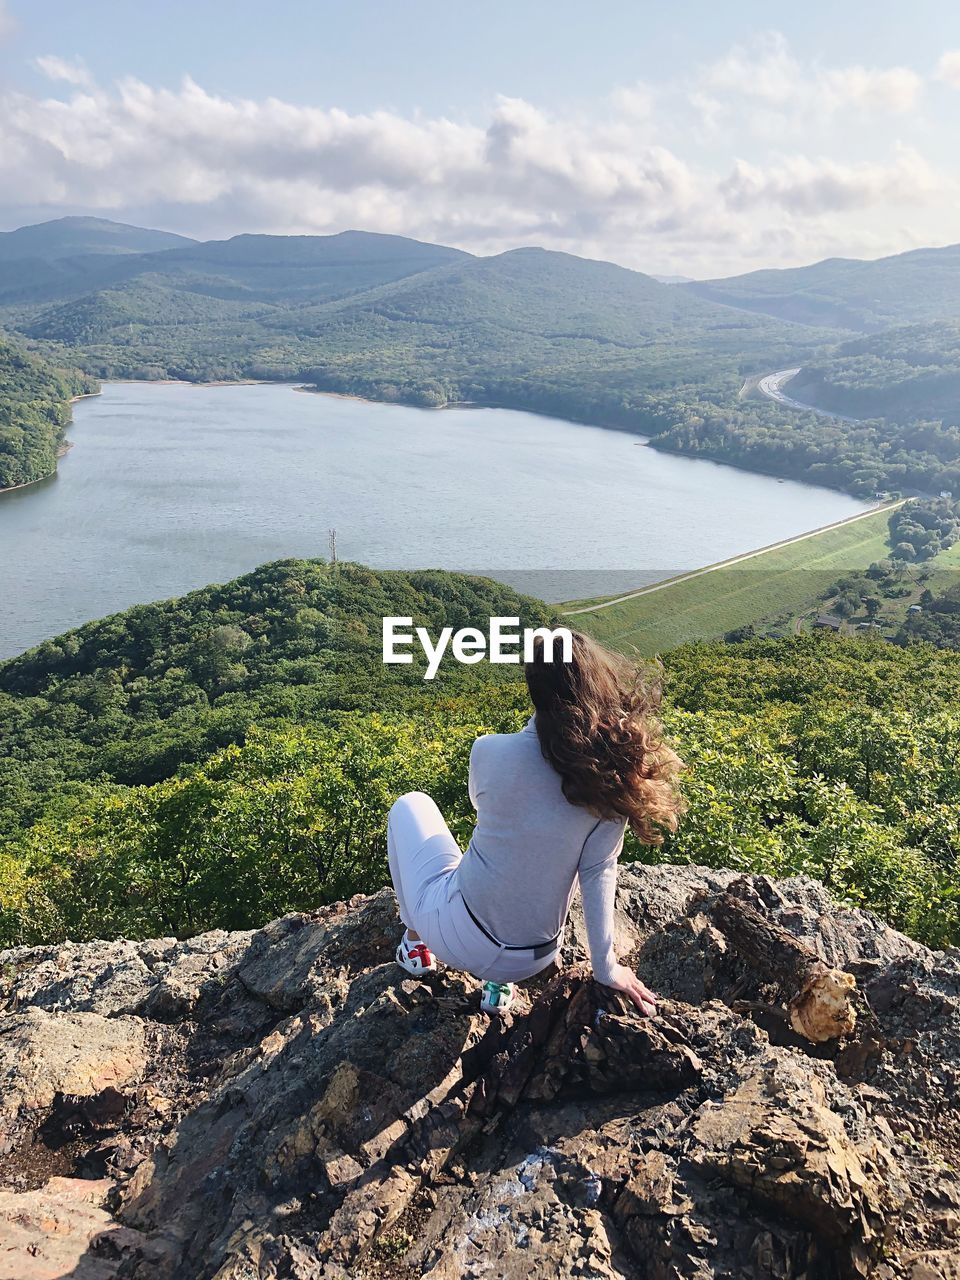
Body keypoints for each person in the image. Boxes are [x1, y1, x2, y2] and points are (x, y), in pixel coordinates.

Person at [387, 630, 685, 1016]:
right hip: (533, 958)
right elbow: (599, 873)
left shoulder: (490, 751)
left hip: (459, 939)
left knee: (411, 805)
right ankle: (498, 988)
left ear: (533, 687)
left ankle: (415, 945)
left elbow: (485, 807)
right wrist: (606, 967)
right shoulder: (608, 780)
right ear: (598, 682)